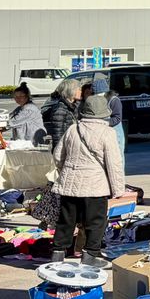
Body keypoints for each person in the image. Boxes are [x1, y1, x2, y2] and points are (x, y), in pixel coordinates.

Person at [50, 94, 125, 266]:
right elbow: (114, 163)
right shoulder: (107, 132)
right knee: (95, 222)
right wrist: (118, 189)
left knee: (66, 221)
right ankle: (89, 257)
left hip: (69, 184)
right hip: (95, 186)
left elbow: (58, 155)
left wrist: (66, 171)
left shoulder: (72, 129)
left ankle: (57, 255)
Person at [39, 78, 82, 148]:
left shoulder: (73, 106)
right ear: (71, 91)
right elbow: (57, 135)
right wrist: (59, 153)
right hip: (64, 149)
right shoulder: (60, 109)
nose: (81, 91)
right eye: (79, 89)